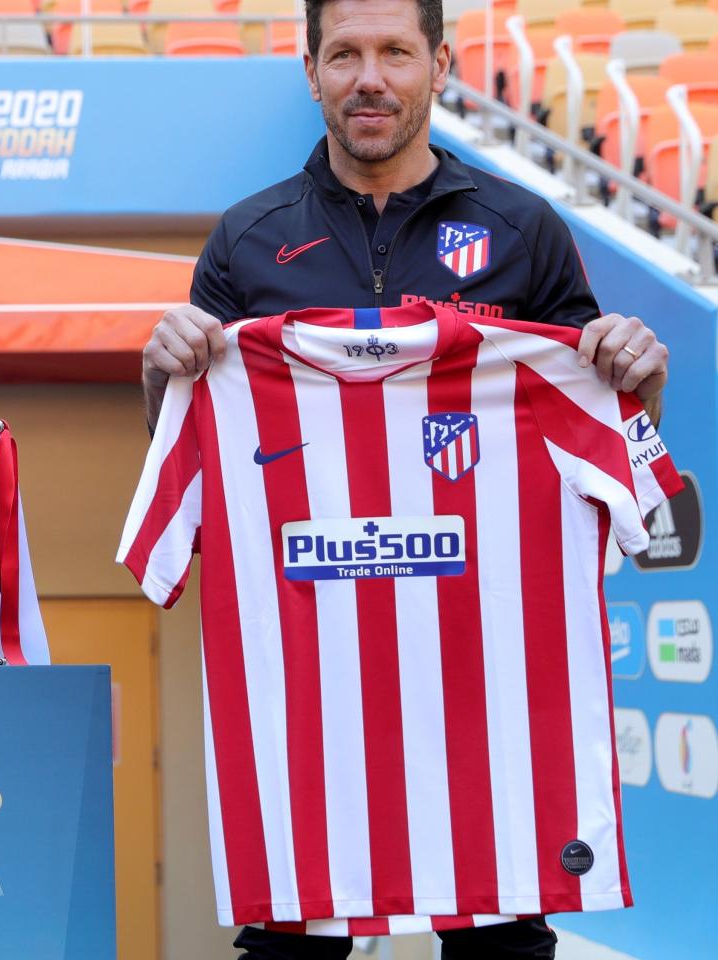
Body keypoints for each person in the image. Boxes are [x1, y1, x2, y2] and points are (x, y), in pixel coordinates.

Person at [139, 0, 670, 957]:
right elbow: (192, 452)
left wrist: (639, 378)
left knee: (502, 937)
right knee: (293, 939)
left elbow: (604, 432)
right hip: (311, 694)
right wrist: (161, 375)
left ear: (440, 64)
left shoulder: (524, 228)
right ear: (311, 71)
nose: (369, 77)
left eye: (394, 52)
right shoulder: (245, 239)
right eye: (344, 54)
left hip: (489, 685)